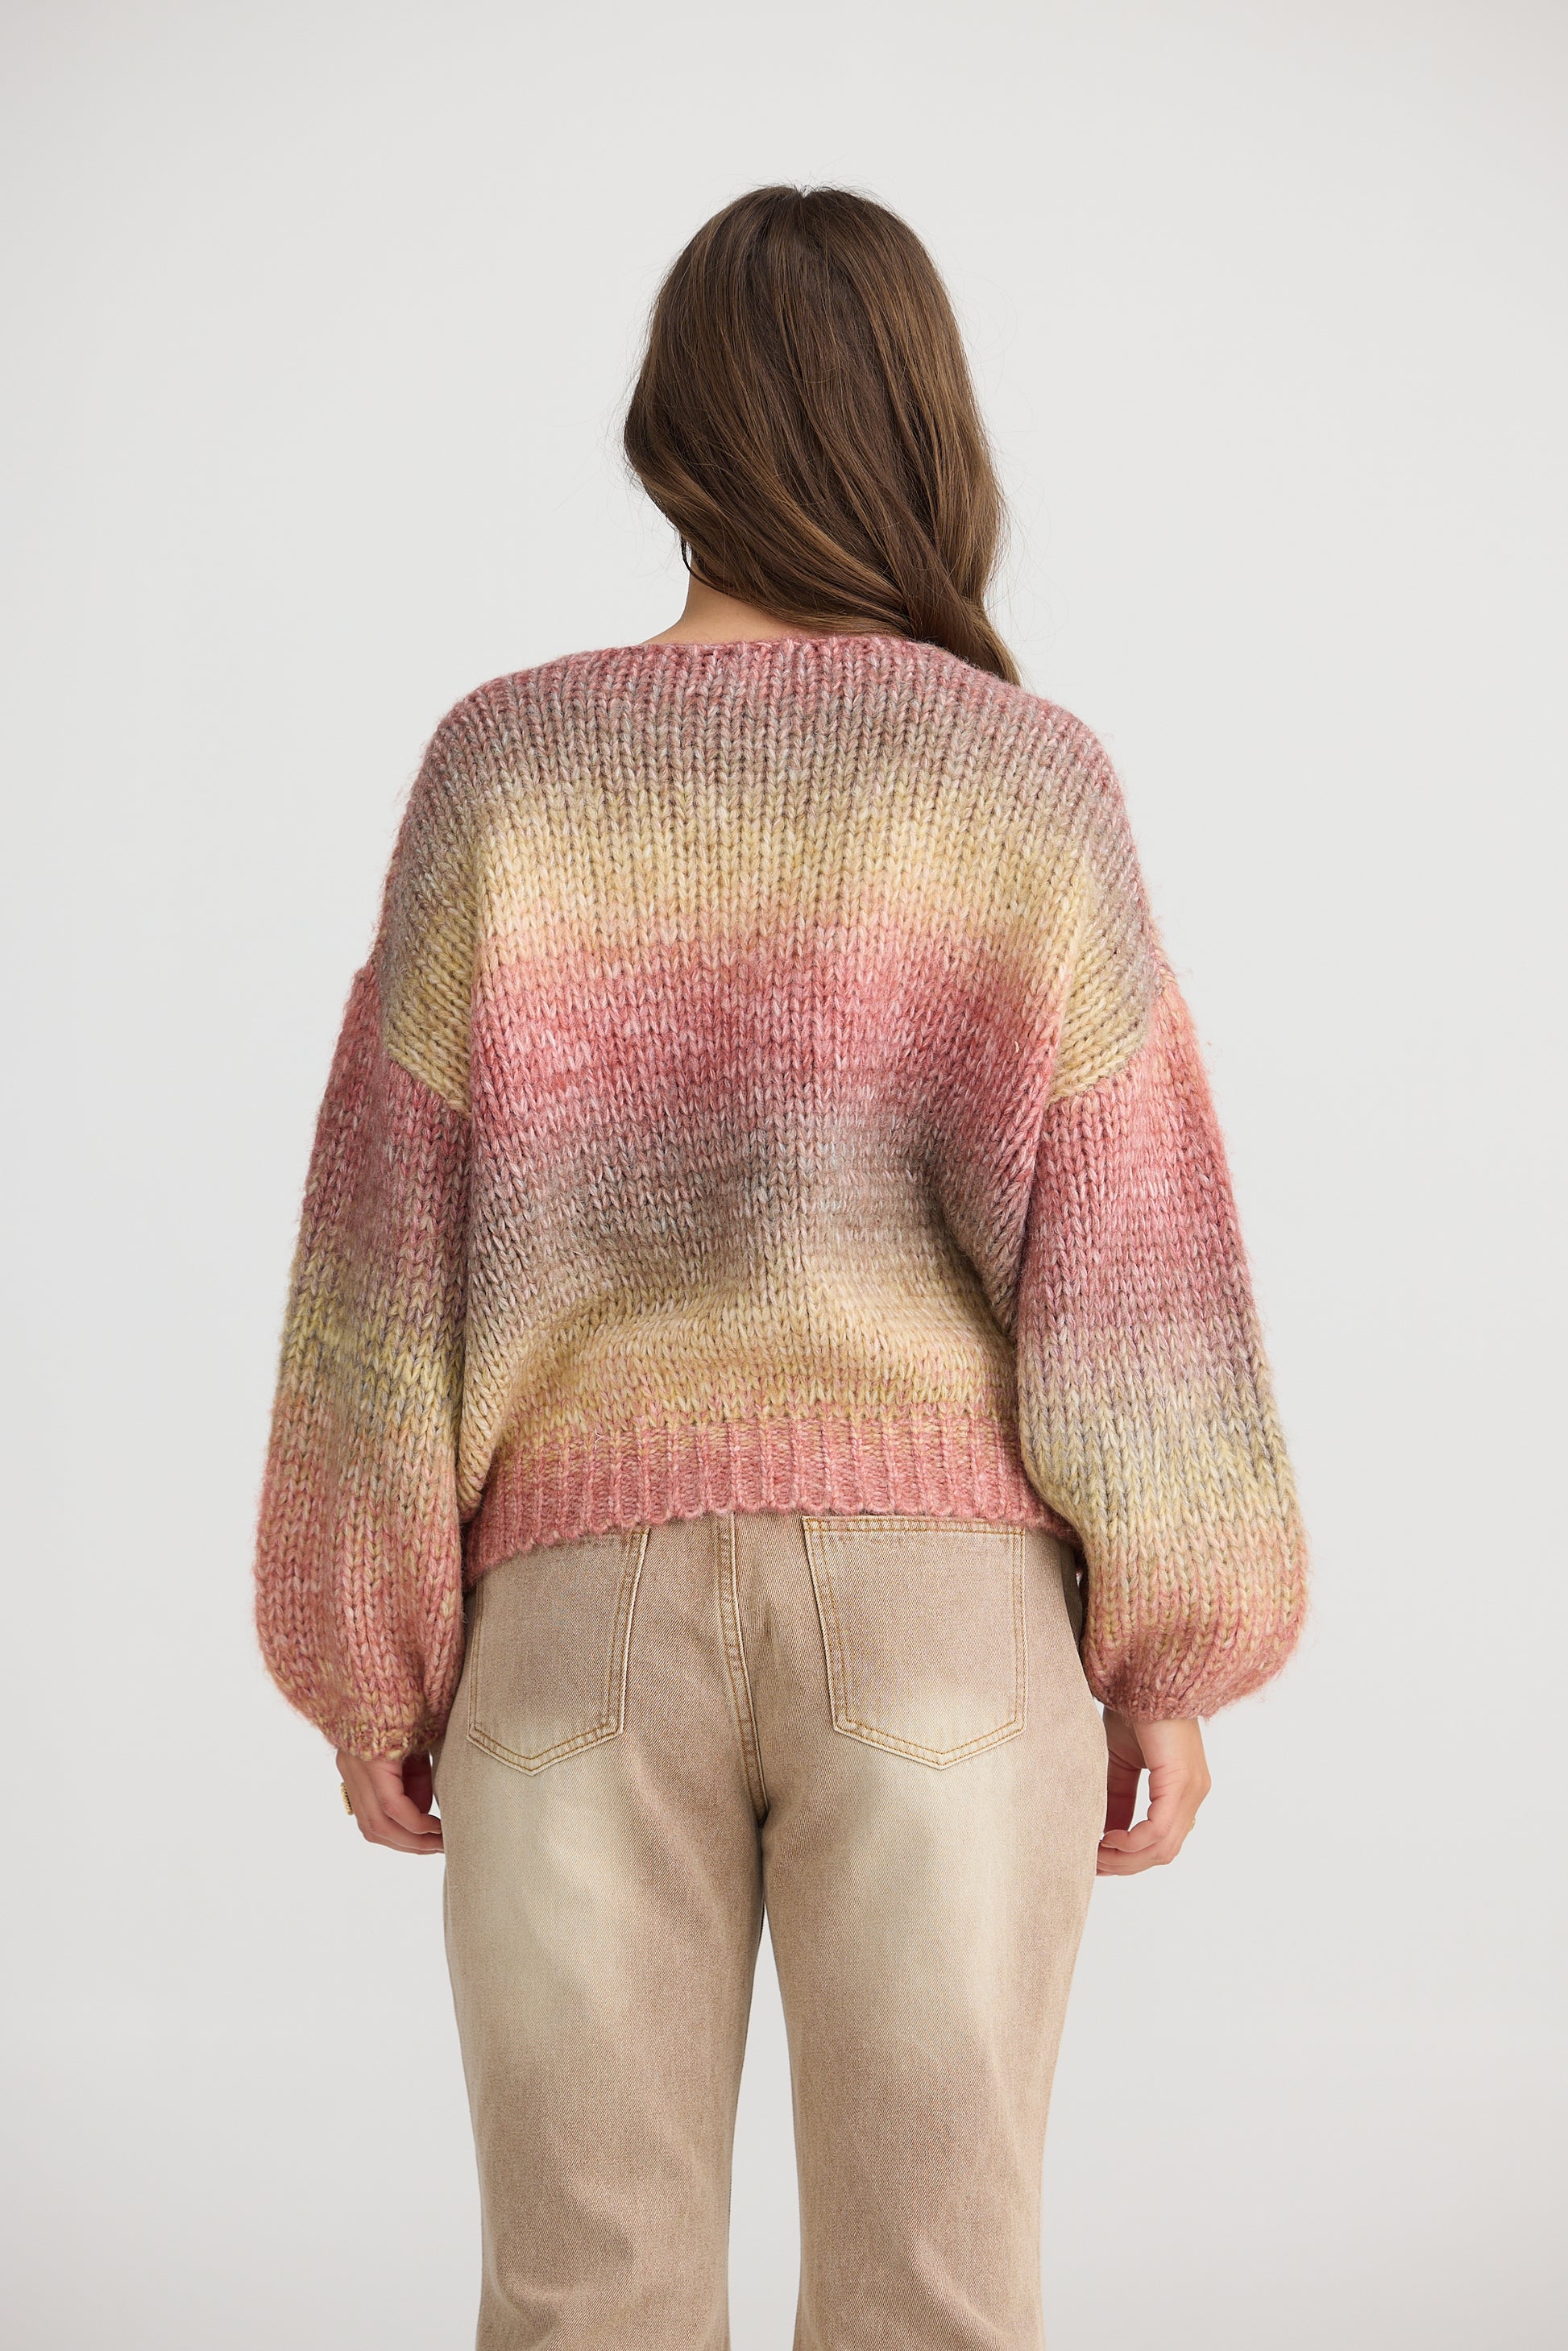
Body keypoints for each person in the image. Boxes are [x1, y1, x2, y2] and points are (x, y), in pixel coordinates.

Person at [254, 184, 1307, 2351]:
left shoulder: (503, 767)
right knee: (937, 2301)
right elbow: (1135, 1262)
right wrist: (1170, 1653)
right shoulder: (1022, 779)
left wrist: (368, 1656)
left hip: (571, 1625)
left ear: (670, 428)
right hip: (945, 1625)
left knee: (582, 2303)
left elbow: (379, 1248)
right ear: (927, 431)